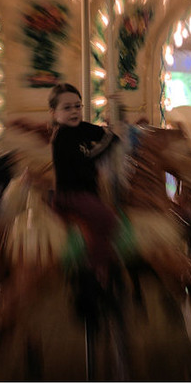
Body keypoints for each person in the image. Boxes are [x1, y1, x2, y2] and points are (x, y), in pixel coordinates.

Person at [48, 83, 120, 284]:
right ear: (54, 113)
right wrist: (108, 141)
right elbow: (87, 159)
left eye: (77, 106)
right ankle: (95, 267)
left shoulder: (82, 128)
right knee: (107, 218)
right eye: (67, 108)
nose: (74, 111)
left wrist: (113, 124)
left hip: (88, 191)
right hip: (70, 195)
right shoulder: (62, 136)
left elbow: (110, 137)